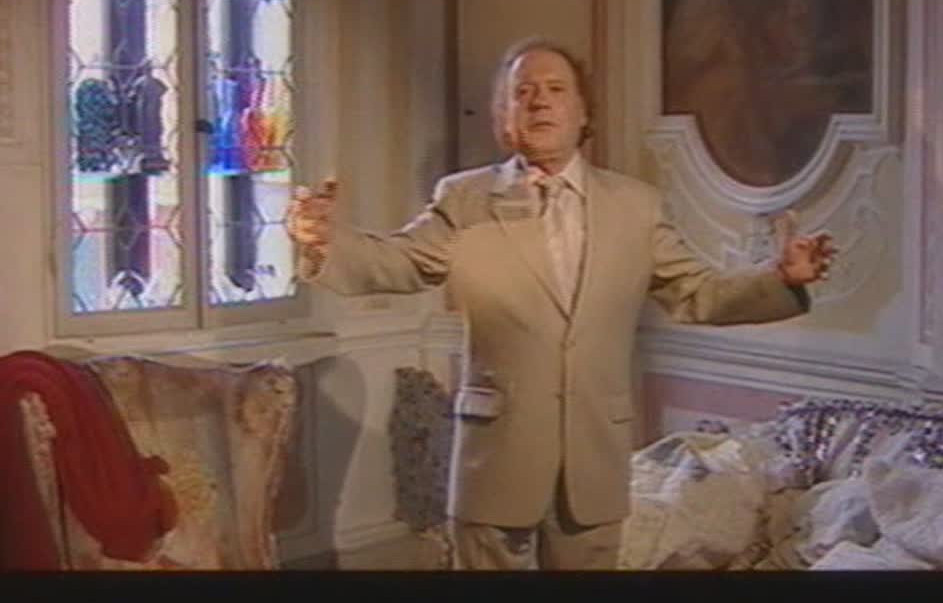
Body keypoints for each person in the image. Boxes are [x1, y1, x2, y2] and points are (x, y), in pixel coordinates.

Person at [286, 37, 836, 570]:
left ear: (582, 112)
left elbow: (698, 293)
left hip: (592, 459)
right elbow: (401, 260)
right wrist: (327, 242)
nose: (540, 101)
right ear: (505, 117)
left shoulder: (635, 206)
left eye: (555, 89)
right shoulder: (466, 198)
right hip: (496, 456)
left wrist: (778, 279)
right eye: (523, 92)